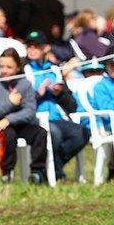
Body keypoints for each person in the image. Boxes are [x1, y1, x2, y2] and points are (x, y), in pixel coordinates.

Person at [24, 31, 90, 181]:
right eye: (30, 46)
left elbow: (71, 105)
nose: (33, 49)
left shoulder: (54, 69)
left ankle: (55, 167)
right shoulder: (23, 69)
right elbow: (22, 100)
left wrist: (59, 93)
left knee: (82, 133)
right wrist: (39, 93)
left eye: (37, 46)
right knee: (55, 133)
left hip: (57, 116)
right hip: (35, 118)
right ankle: (56, 173)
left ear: (45, 48)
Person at [0, 49, 49, 183]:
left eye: (9, 67)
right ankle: (7, 173)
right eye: (2, 66)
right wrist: (9, 104)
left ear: (18, 67)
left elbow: (30, 111)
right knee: (9, 134)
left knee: (40, 133)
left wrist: (9, 119)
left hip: (20, 124)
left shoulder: (24, 84)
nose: (4, 70)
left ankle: (37, 172)